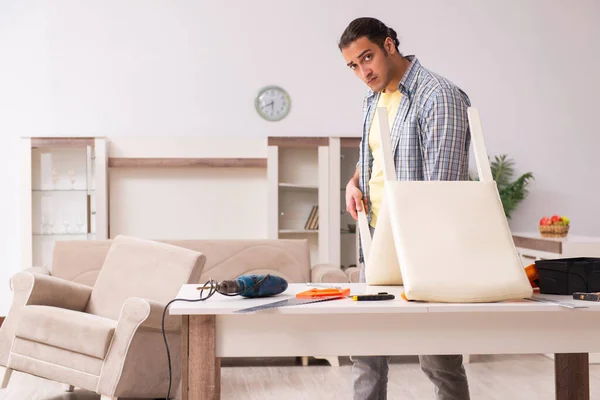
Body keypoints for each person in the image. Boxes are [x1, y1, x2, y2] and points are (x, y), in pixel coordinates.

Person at [338, 17, 472, 400]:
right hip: (376, 240)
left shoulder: (438, 96)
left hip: (422, 249)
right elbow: (376, 155)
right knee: (366, 355)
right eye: (353, 65)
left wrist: (422, 255)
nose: (363, 71)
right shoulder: (375, 97)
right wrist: (354, 182)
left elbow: (441, 190)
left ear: (390, 45)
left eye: (368, 58)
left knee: (438, 361)